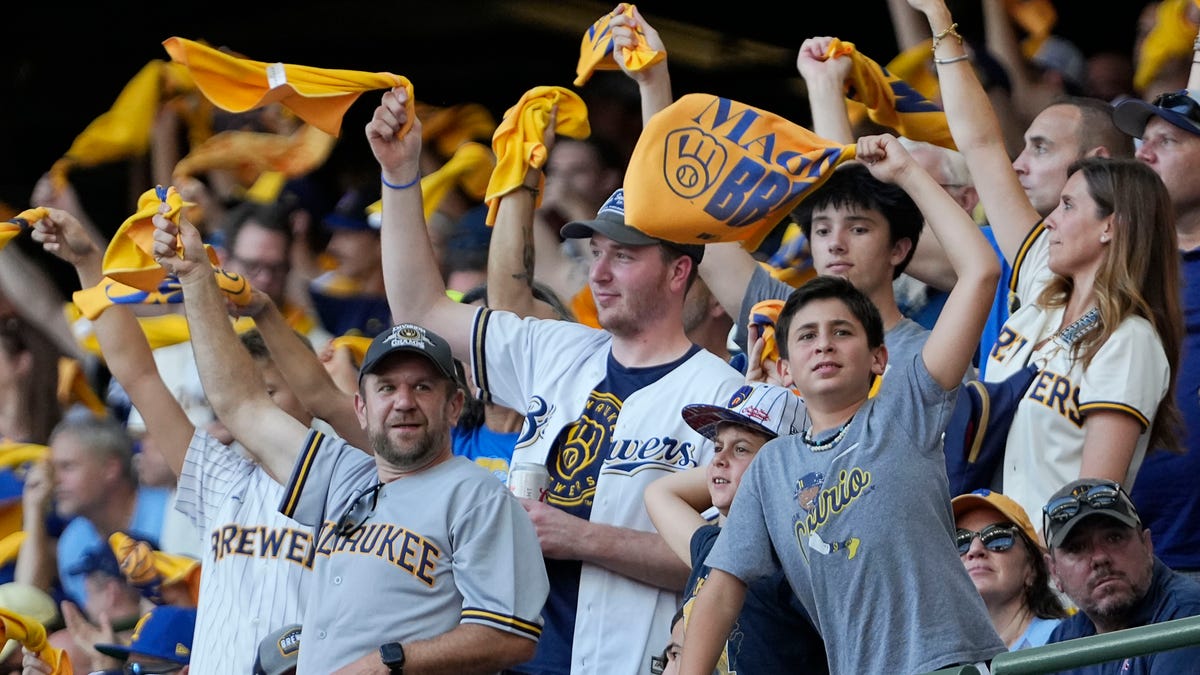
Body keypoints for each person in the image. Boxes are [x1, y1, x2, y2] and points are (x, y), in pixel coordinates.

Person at [366, 85, 744, 675]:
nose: (597, 273)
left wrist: (579, 537)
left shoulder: (724, 396)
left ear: (678, 271)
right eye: (594, 253)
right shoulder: (557, 349)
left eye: (622, 256)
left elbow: (727, 565)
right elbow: (419, 312)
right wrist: (400, 174)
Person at [151, 203, 549, 672]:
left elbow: (510, 636)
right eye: (386, 388)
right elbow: (241, 405)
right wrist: (197, 278)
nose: (403, 401)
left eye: (422, 387)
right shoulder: (341, 475)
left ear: (455, 405)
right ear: (361, 407)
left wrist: (389, 662)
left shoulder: (479, 496)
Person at [678, 133, 1004, 674]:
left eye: (841, 332)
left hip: (952, 664)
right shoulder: (771, 468)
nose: (823, 343)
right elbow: (721, 586)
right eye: (805, 336)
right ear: (783, 369)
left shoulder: (906, 405)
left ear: (879, 358)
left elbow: (982, 272)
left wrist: (906, 171)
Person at [908, 0, 1184, 529]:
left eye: (1068, 206)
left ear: (1110, 224)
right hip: (987, 564)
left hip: (1055, 591)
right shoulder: (1040, 280)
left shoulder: (1129, 339)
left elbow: (1093, 511)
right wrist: (941, 25)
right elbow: (984, 145)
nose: (1049, 221)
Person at [30, 207, 316, 675]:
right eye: (245, 395)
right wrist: (87, 263)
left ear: (310, 396)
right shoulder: (220, 478)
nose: (251, 409)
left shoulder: (349, 479)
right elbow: (140, 376)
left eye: (267, 394)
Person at [645, 382, 828, 674]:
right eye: (717, 447)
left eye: (741, 449)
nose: (718, 459)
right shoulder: (713, 546)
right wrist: (735, 470)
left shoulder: (800, 559)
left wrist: (789, 470)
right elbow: (658, 493)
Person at [1113, 86, 1200, 583]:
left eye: (1166, 141)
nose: (1143, 153)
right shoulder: (1109, 260)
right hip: (1121, 555)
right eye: (1141, 141)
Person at [1043, 478, 1200, 673]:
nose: (1099, 557)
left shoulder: (1187, 615)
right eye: (1077, 548)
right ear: (1054, 572)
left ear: (1147, 545)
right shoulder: (1065, 638)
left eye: (1113, 538)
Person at [952, 488, 1067, 650]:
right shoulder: (944, 660)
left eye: (997, 537)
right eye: (960, 541)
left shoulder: (1064, 640)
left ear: (1032, 568)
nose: (975, 550)